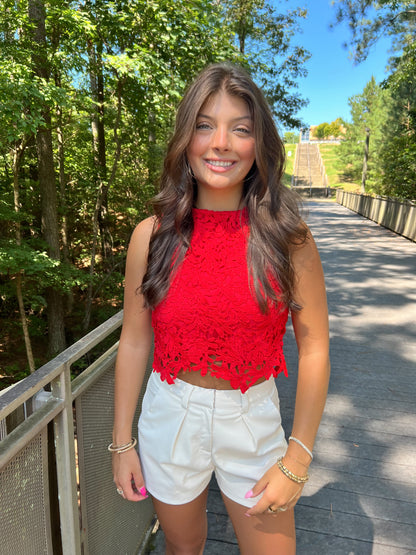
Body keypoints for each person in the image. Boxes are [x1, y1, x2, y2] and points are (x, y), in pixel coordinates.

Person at [110, 62, 330, 555]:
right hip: (171, 413)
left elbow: (315, 349)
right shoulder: (152, 236)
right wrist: (122, 442)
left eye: (241, 129)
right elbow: (134, 339)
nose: (221, 143)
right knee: (183, 547)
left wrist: (298, 455)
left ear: (260, 144)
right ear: (186, 137)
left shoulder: (288, 239)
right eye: (205, 125)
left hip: (252, 415)